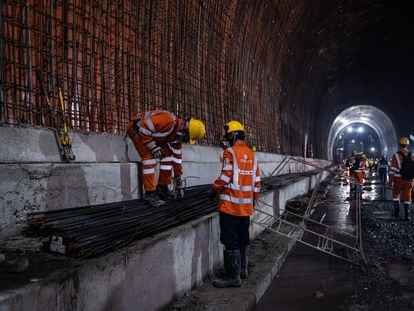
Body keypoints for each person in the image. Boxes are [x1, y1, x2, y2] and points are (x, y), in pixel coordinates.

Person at [209, 120, 261, 288]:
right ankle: (243, 270)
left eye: (227, 137)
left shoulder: (229, 153)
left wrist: (214, 189)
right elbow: (257, 182)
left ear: (232, 135)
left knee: (230, 240)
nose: (226, 140)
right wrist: (252, 200)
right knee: (243, 237)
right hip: (245, 208)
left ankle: (233, 276)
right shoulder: (252, 155)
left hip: (230, 207)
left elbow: (225, 176)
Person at [127, 108, 205, 207]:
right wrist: (152, 147)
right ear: (185, 130)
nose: (184, 141)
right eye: (186, 138)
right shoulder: (167, 121)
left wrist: (178, 179)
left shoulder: (176, 137)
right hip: (137, 129)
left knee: (167, 156)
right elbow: (145, 127)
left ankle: (162, 187)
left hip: (149, 135)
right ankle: (150, 193)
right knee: (149, 158)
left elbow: (177, 159)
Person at [389, 137, 414, 220]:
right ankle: (407, 216)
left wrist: (391, 180)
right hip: (409, 180)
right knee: (408, 196)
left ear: (399, 145)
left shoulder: (396, 155)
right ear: (407, 145)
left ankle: (397, 213)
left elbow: (393, 169)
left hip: (398, 179)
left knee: (396, 195)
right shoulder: (412, 155)